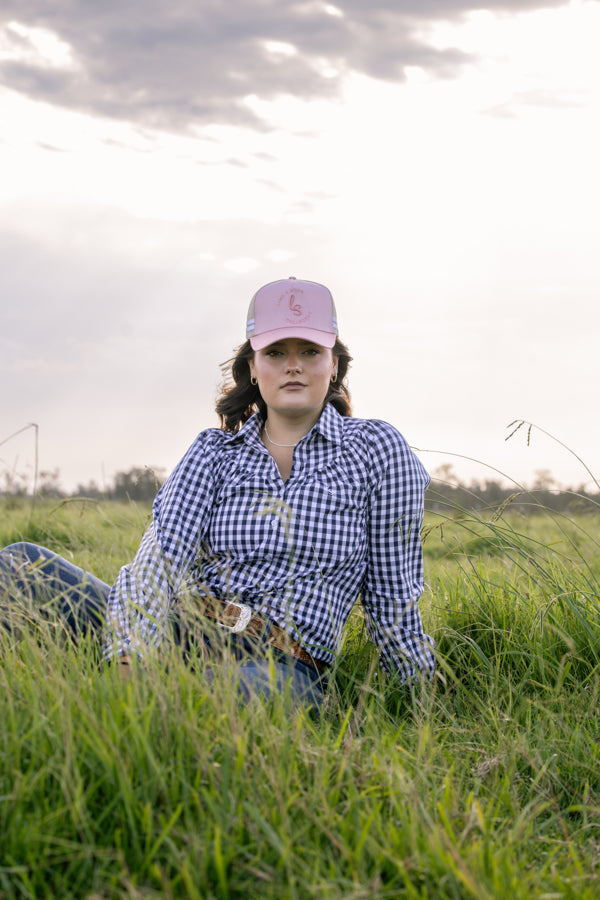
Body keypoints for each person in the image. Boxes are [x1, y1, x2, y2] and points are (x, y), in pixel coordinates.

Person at [0, 277, 434, 708]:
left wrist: (423, 699)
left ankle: (165, 703)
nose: (293, 365)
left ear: (334, 363)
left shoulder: (376, 449)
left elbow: (392, 597)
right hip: (181, 630)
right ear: (251, 367)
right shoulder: (214, 452)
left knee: (224, 694)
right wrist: (130, 656)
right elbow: (159, 561)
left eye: (310, 351)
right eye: (276, 352)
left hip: (280, 665)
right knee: (20, 564)